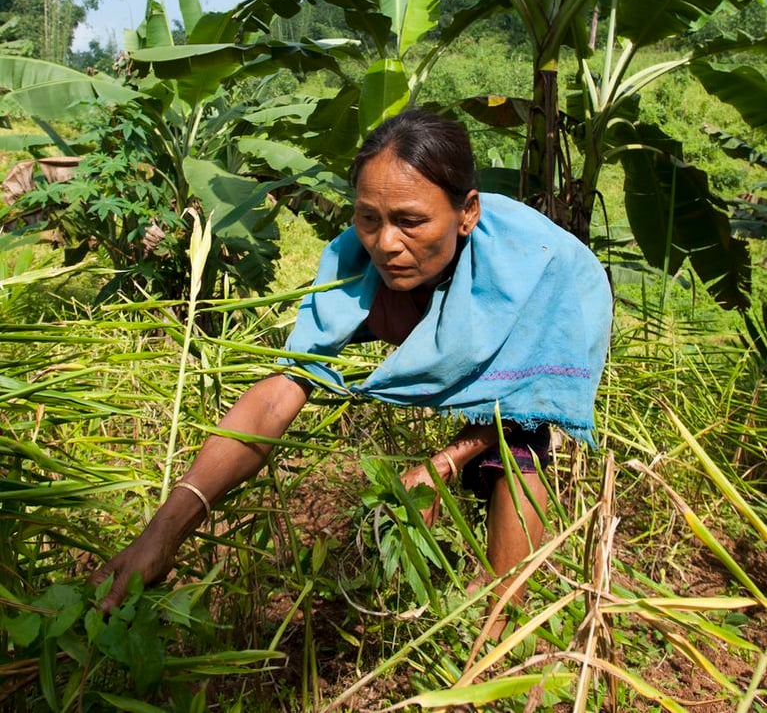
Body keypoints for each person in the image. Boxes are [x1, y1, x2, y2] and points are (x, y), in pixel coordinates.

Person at [92, 109, 613, 629]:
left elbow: (520, 408)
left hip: (548, 304)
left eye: (410, 221)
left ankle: (506, 612)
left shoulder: (537, 269)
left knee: (518, 445)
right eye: (369, 218)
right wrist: (160, 534)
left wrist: (442, 465)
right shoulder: (354, 261)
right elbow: (281, 390)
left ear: (467, 212)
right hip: (439, 300)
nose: (386, 243)